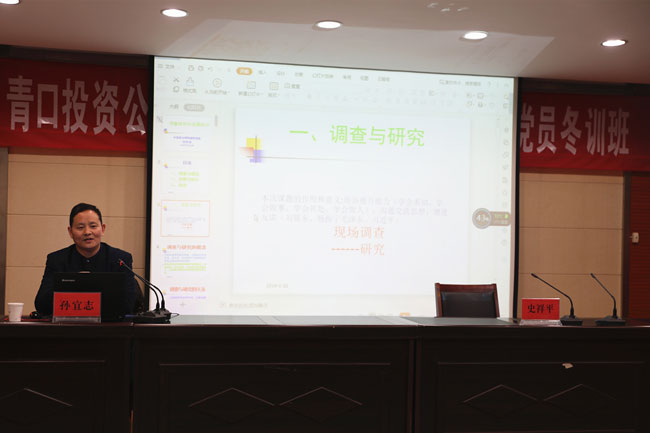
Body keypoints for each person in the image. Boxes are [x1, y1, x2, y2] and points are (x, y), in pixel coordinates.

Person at [34, 203, 140, 316]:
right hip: (68, 325)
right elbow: (41, 304)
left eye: (93, 226)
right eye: (80, 227)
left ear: (103, 229)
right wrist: (75, 284)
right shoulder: (57, 260)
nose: (87, 232)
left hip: (109, 325)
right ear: (70, 232)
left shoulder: (120, 259)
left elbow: (128, 304)